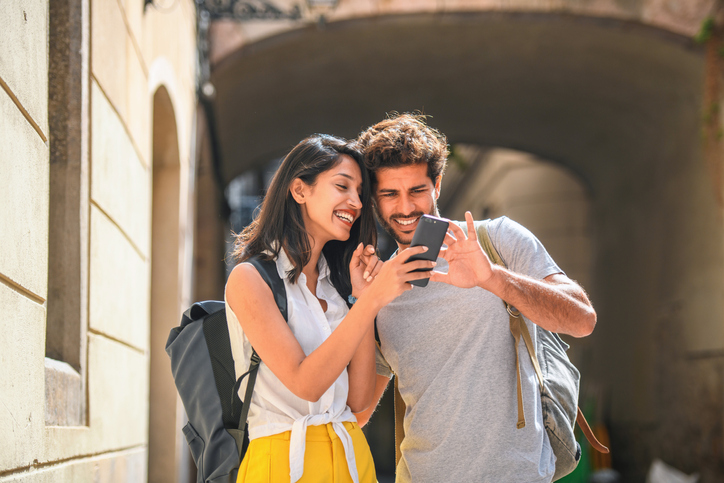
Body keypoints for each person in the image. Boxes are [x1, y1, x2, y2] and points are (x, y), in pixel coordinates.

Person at [355, 114, 597, 483]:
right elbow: (358, 411)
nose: (404, 208)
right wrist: (364, 304)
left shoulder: (497, 240)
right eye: (389, 193)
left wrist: (493, 278)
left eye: (416, 190)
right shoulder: (378, 288)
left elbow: (582, 319)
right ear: (374, 196)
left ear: (437, 184)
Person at [225, 134, 435, 483]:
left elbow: (358, 403)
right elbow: (305, 383)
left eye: (359, 194)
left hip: (351, 459)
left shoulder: (336, 289)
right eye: (342, 186)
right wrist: (371, 300)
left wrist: (360, 298)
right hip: (281, 462)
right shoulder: (250, 279)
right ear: (299, 190)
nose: (355, 201)